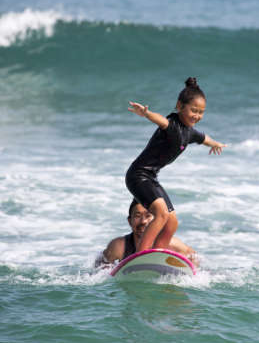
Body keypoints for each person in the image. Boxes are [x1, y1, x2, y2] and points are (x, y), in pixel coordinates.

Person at [126, 77, 226, 253]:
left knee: (172, 222)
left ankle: (156, 255)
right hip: (138, 175)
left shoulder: (190, 132)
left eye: (201, 112)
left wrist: (215, 144)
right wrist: (146, 114)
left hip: (151, 177)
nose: (197, 115)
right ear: (180, 106)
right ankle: (140, 255)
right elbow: (161, 121)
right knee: (161, 214)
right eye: (193, 110)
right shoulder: (173, 126)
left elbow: (204, 138)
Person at [96, 199, 198, 267]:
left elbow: (193, 258)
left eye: (148, 215)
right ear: (129, 221)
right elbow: (100, 274)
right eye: (137, 215)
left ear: (158, 220)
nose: (143, 221)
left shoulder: (171, 244)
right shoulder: (119, 246)